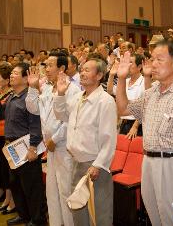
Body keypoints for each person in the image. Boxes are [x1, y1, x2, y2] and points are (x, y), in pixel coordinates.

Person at [115, 40, 173, 226]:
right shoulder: (151, 92)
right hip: (149, 162)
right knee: (156, 219)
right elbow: (123, 109)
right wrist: (122, 79)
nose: (153, 64)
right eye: (152, 58)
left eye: (159, 59)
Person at [54, 58, 117, 226]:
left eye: (88, 70)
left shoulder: (105, 101)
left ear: (99, 75)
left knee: (99, 213)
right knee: (78, 211)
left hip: (94, 165)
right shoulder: (77, 98)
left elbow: (109, 138)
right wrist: (60, 94)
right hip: (76, 162)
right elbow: (61, 115)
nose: (82, 72)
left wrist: (98, 164)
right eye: (82, 69)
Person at [26, 52, 80, 226]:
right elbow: (33, 108)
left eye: (50, 65)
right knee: (52, 191)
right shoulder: (48, 88)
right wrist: (33, 87)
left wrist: (55, 139)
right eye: (46, 66)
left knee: (65, 191)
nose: (46, 69)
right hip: (50, 148)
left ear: (62, 68)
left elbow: (72, 119)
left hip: (64, 147)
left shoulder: (73, 89)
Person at [0, 62, 46, 226]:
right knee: (16, 184)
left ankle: (37, 219)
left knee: (31, 186)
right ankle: (24, 215)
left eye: (16, 73)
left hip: (26, 146)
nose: (12, 76)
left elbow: (35, 124)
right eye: (12, 73)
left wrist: (33, 147)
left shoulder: (29, 97)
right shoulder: (11, 96)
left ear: (25, 78)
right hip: (12, 147)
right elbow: (1, 116)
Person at [0, 65, 15, 214]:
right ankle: (6, 197)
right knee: (0, 167)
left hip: (7, 134)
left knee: (8, 170)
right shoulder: (0, 93)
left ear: (7, 80)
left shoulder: (10, 94)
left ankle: (11, 200)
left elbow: (1, 115)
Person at [107, 54, 145, 138]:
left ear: (139, 67)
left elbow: (144, 108)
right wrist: (111, 75)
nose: (127, 65)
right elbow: (110, 91)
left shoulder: (144, 83)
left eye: (131, 63)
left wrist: (135, 127)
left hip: (136, 125)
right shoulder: (125, 80)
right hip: (122, 122)